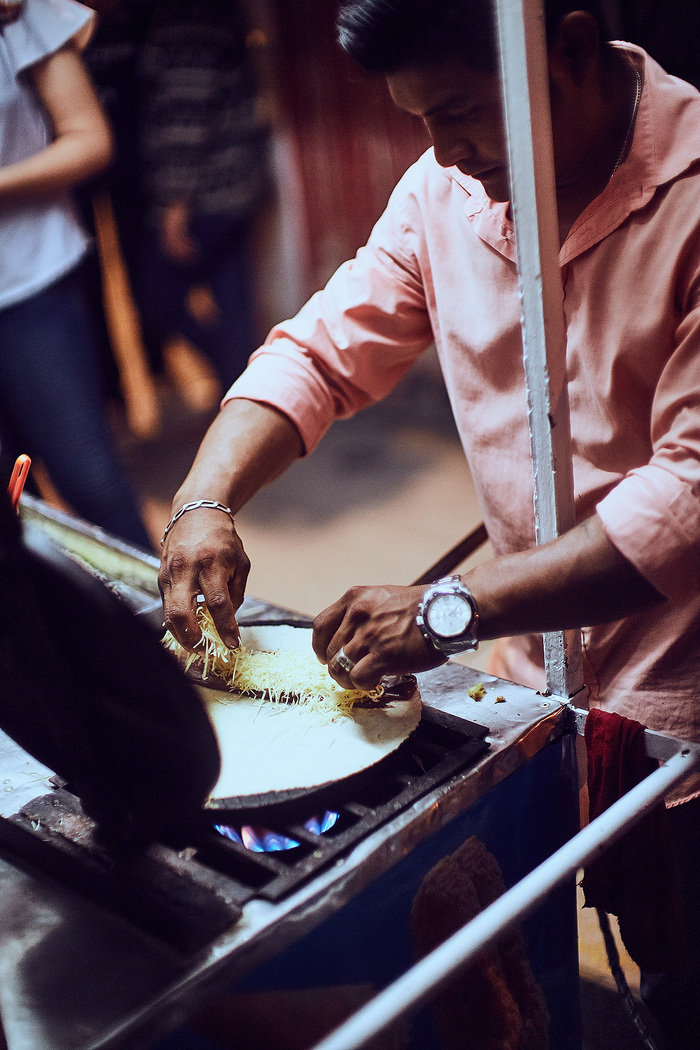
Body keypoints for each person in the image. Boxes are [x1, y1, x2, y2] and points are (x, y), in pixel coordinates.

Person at [159, 2, 700, 1042]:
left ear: (572, 50)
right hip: (531, 687)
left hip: (680, 718)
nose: (444, 150)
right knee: (522, 979)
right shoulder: (445, 191)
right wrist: (204, 501)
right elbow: (319, 351)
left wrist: (450, 609)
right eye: (419, 121)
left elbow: (682, 505)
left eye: (461, 110)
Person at [0, 0, 152, 549]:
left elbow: (89, 138)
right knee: (12, 515)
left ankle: (174, 632)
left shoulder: (18, 13)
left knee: (91, 484)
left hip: (31, 282)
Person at [133, 0, 271, 390]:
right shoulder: (216, 12)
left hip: (207, 195)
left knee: (158, 299)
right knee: (235, 309)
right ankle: (251, 389)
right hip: (236, 184)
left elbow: (187, 111)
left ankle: (245, 377)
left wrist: (175, 205)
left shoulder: (186, 16)